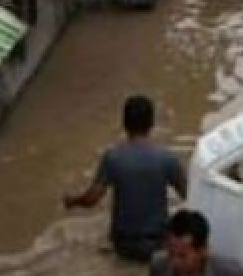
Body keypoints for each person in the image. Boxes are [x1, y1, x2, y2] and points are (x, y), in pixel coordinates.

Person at [63, 95, 186, 262]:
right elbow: (190, 194)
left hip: (123, 245)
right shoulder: (167, 158)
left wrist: (72, 201)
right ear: (152, 124)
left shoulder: (113, 158)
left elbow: (92, 199)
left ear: (124, 124)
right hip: (158, 245)